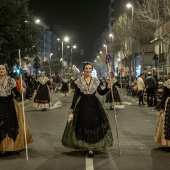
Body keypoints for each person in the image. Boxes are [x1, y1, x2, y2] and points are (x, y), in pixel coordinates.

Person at [62, 62, 113, 158]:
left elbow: (101, 93)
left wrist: (107, 88)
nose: (88, 70)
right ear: (83, 69)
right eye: (86, 68)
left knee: (93, 125)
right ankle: (86, 145)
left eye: (90, 68)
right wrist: (72, 108)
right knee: (83, 125)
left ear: (92, 69)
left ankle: (91, 148)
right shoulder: (78, 81)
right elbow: (76, 95)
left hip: (94, 106)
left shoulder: (96, 81)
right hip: (82, 106)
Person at [0, 65, 33, 155]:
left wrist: (21, 90)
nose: (1, 70)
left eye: (3, 69)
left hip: (8, 105)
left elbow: (16, 92)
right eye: (0, 69)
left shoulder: (11, 80)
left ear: (6, 70)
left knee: (8, 125)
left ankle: (8, 148)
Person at [154, 73, 170, 146]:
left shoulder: (167, 83)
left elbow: (164, 95)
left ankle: (167, 141)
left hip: (169, 103)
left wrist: (162, 107)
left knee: (167, 121)